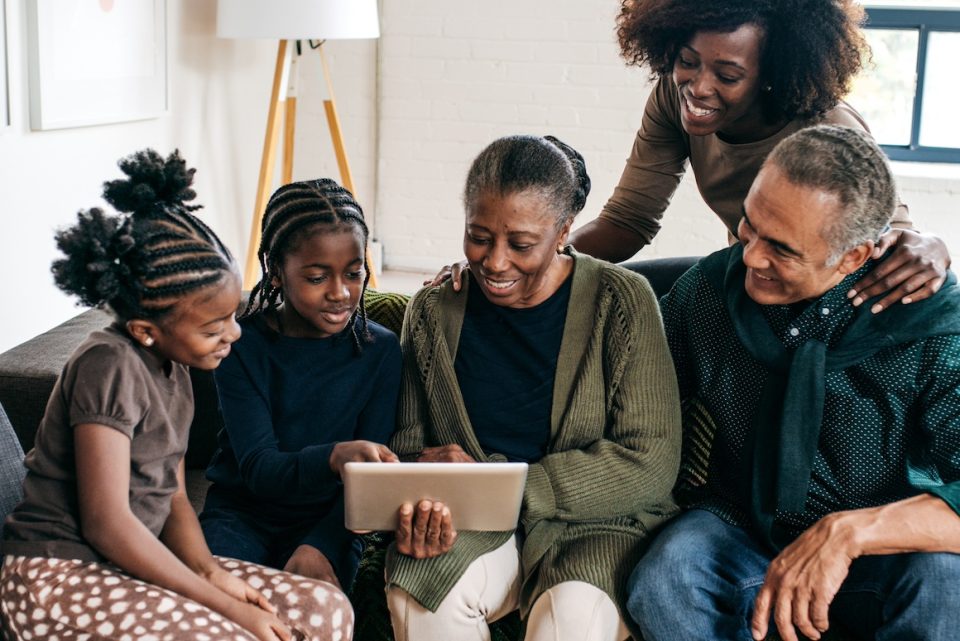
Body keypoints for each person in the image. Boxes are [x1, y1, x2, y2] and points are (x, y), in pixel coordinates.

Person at [625, 125, 960, 641]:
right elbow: (624, 392)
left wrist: (847, 533)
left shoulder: (931, 326)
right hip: (741, 527)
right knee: (667, 577)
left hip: (884, 546)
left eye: (781, 249)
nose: (752, 257)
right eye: (750, 225)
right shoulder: (709, 293)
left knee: (945, 584)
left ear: (853, 256)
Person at [1, 151, 352, 641]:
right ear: (146, 330)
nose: (234, 334)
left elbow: (174, 495)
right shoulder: (108, 365)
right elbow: (106, 523)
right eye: (213, 327)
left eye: (231, 317)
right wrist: (221, 604)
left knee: (322, 607)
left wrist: (210, 572)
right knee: (236, 632)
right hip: (58, 577)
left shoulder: (177, 371)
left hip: (125, 568)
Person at [437, 0, 950, 314]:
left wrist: (933, 246)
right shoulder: (673, 96)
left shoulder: (826, 127)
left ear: (773, 74)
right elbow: (629, 221)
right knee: (618, 293)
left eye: (727, 76)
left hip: (814, 295)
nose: (698, 88)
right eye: (687, 62)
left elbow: (893, 235)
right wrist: (525, 262)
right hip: (747, 274)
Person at [385, 135, 682, 641]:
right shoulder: (433, 310)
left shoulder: (622, 301)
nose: (495, 262)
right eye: (479, 237)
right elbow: (410, 447)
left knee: (570, 623)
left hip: (595, 526)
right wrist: (422, 499)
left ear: (564, 230)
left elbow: (649, 461)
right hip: (472, 523)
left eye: (521, 245)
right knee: (421, 598)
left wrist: (507, 488)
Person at [200, 178, 401, 591]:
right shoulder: (241, 346)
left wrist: (322, 545)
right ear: (276, 271)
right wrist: (333, 457)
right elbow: (258, 468)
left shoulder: (380, 350)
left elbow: (369, 484)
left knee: (313, 609)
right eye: (317, 277)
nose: (340, 293)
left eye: (354, 273)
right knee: (214, 605)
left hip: (330, 521)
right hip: (242, 515)